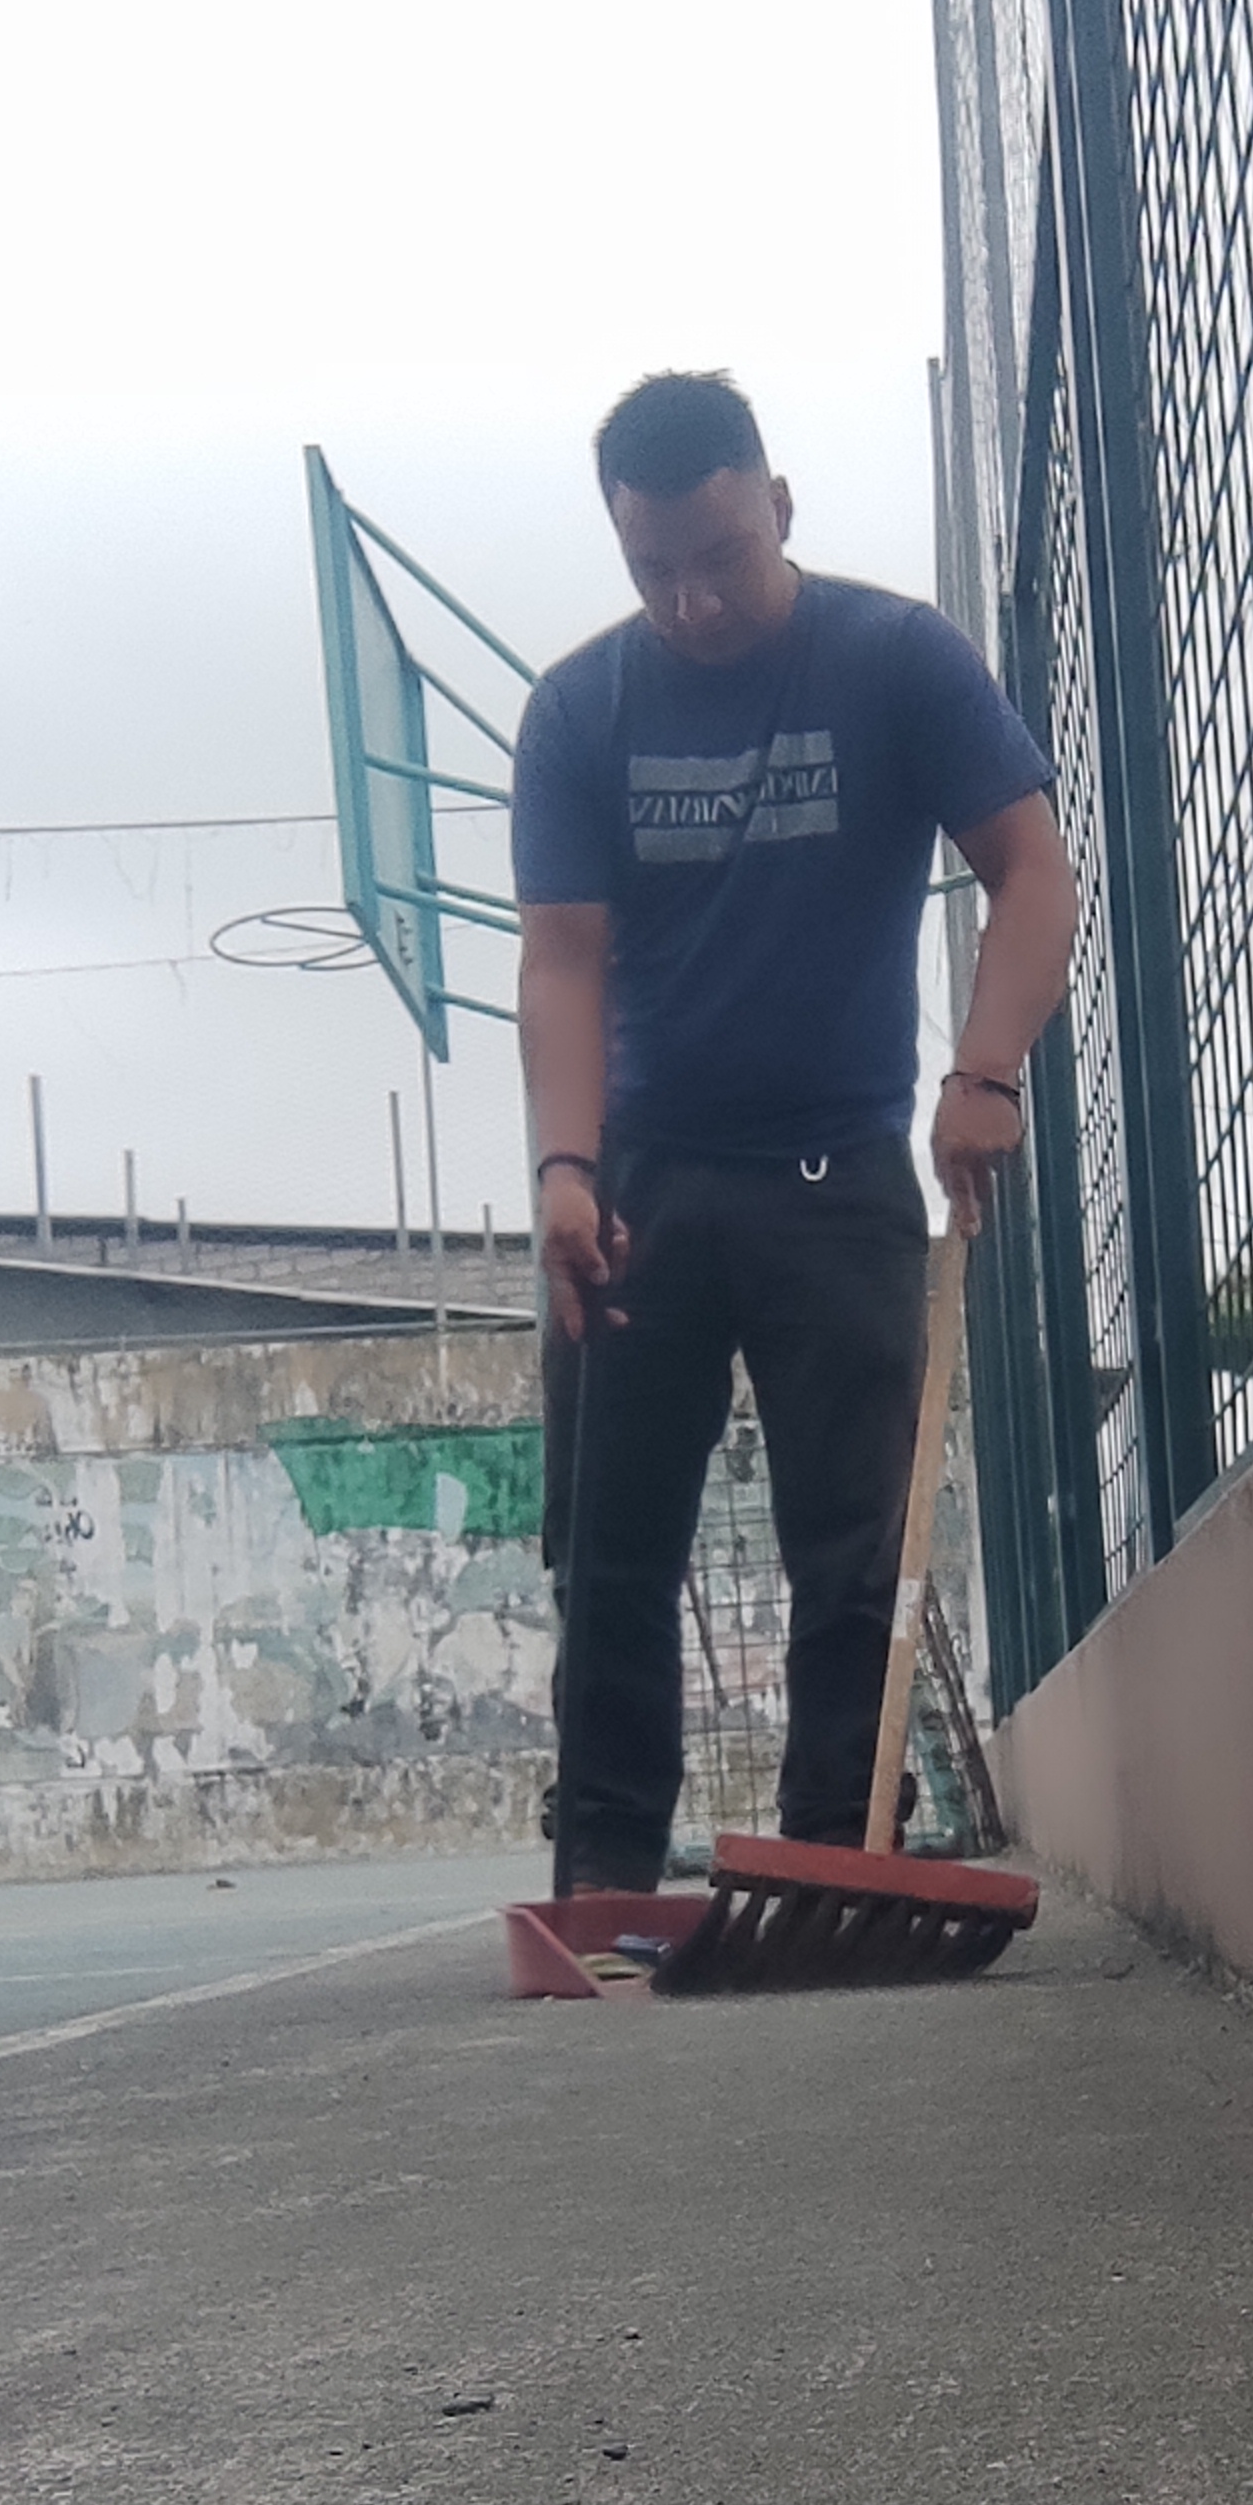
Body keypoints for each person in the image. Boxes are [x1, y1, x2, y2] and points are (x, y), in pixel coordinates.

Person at [513, 368, 1076, 1892]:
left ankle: (835, 1859)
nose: (691, 602)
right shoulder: (578, 712)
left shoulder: (895, 660)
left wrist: (985, 1073)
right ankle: (606, 1875)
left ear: (778, 505)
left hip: (838, 1180)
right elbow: (562, 960)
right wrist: (564, 1171)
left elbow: (1033, 872)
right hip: (638, 1186)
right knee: (610, 1548)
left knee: (851, 1550)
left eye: (720, 558)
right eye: (654, 571)